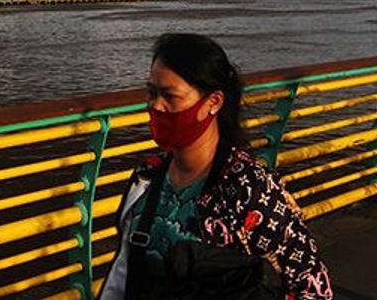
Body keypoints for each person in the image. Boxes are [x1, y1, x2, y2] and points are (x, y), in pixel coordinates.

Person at [99, 33, 333, 300]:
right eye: (151, 92)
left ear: (213, 102)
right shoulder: (147, 178)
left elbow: (312, 286)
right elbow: (123, 272)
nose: (155, 106)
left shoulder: (251, 189)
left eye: (169, 96)